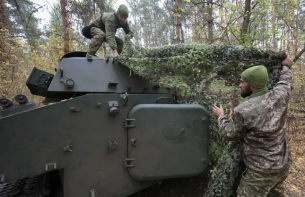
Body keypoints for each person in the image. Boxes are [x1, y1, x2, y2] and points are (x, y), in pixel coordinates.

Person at [212, 56, 293, 197]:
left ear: (253, 85)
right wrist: (286, 66)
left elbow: (230, 134)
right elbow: (286, 81)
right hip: (282, 165)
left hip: (260, 172)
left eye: (242, 82)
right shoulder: (280, 95)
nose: (239, 85)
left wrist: (221, 117)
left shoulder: (244, 110)